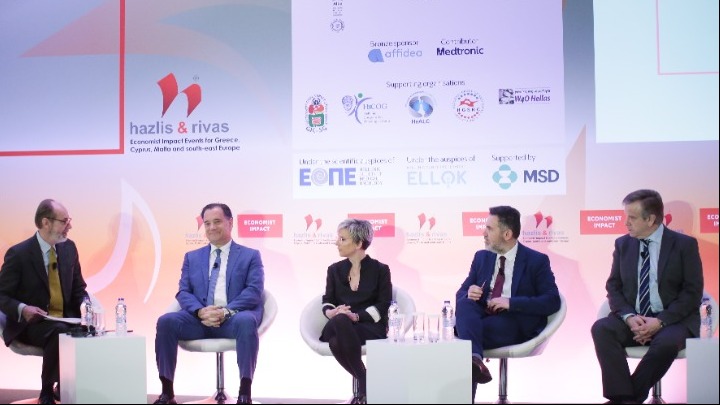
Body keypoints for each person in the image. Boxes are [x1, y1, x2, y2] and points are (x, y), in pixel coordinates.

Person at [591, 189, 703, 404]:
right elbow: (613, 286)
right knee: (601, 329)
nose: (626, 223)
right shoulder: (623, 244)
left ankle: (626, 400)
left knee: (666, 344)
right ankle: (623, 398)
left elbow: (692, 292)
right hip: (635, 318)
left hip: (673, 320)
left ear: (650, 219)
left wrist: (660, 322)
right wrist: (629, 317)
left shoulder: (684, 245)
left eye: (632, 218)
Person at [153, 203, 265, 405]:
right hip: (199, 320)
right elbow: (183, 291)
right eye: (207, 223)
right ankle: (167, 393)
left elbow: (254, 291)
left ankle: (244, 394)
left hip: (233, 319)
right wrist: (200, 312)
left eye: (217, 222)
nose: (211, 227)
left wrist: (225, 312)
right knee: (166, 321)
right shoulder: (192, 257)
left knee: (247, 320)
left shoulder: (250, 255)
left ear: (230, 223)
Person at [455, 205, 561, 401]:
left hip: (514, 320)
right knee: (465, 305)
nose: (483, 233)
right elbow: (460, 294)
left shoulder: (536, 261)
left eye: (489, 228)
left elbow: (552, 301)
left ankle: (472, 360)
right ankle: (475, 360)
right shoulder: (481, 257)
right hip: (482, 317)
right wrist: (469, 293)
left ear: (507, 234)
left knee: (464, 340)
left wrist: (511, 302)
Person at [0, 199, 88, 404]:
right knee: (58, 331)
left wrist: (86, 306)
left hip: (67, 320)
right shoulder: (19, 254)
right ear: (46, 222)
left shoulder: (69, 248)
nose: (70, 226)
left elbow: (79, 288)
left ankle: (69, 389)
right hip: (31, 324)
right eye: (64, 221)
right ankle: (47, 392)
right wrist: (23, 309)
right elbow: (1, 295)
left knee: (90, 332)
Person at [320, 219, 392, 405]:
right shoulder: (334, 270)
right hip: (338, 324)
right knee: (340, 320)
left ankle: (361, 392)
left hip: (368, 327)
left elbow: (383, 304)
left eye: (342, 239)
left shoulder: (381, 270)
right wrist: (332, 312)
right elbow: (327, 300)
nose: (336, 242)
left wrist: (358, 316)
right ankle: (365, 381)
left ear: (359, 243)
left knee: (336, 342)